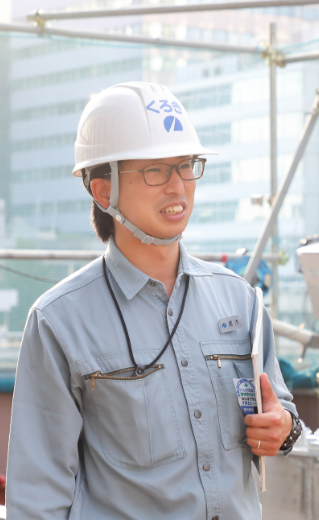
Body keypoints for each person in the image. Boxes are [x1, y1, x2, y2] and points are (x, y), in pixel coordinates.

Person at [6, 82, 302, 519]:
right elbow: (37, 496)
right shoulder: (59, 321)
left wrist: (284, 428)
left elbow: (281, 411)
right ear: (104, 192)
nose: (178, 187)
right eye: (155, 171)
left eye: (186, 165)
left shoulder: (239, 300)